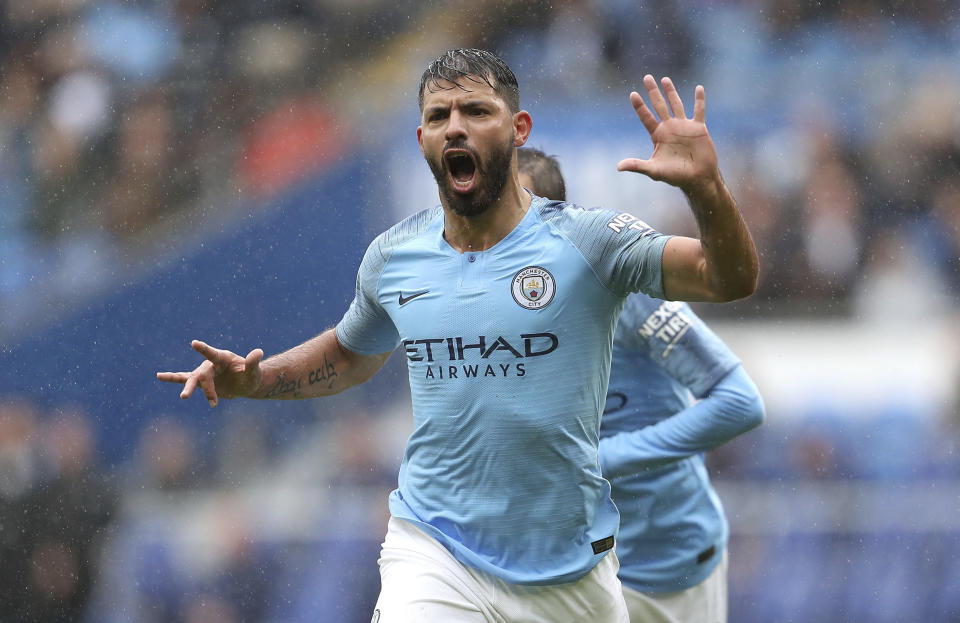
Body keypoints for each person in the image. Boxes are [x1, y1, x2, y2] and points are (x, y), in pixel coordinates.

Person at [158, 48, 759, 622]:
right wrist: (257, 380)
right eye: (438, 115)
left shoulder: (591, 242)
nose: (455, 128)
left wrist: (706, 188)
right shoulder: (394, 256)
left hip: (568, 569)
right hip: (435, 547)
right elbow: (348, 354)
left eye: (476, 111)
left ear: (519, 127)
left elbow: (726, 277)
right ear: (421, 138)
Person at [518, 146, 765, 623]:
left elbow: (739, 402)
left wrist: (604, 461)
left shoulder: (622, 291)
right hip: (564, 563)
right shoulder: (480, 313)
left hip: (663, 565)